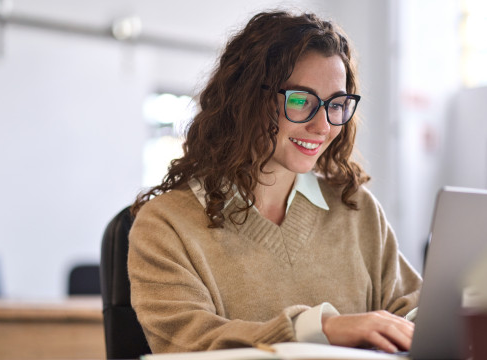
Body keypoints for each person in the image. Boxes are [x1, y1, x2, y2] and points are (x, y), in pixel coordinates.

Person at [128, 10, 421, 354]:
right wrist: (321, 329)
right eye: (300, 101)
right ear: (246, 100)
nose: (323, 127)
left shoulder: (357, 209)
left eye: (336, 104)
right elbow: (190, 343)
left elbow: (413, 314)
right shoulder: (165, 225)